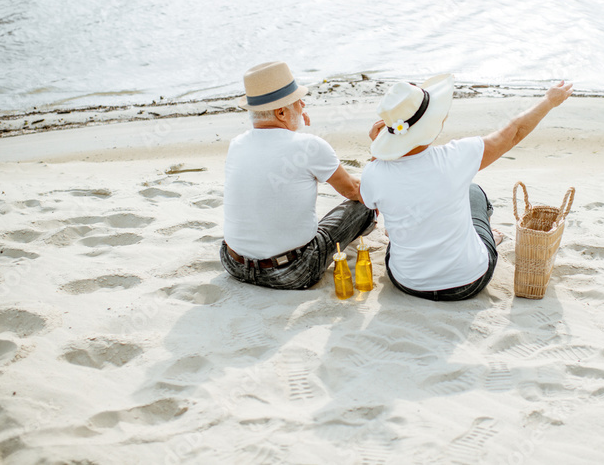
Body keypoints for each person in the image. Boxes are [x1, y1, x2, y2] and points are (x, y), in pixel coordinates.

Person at [359, 75, 573, 301]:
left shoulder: (374, 172)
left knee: (399, 212)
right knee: (473, 192)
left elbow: (369, 199)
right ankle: (489, 235)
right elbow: (515, 131)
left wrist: (377, 156)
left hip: (408, 283)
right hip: (469, 281)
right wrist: (549, 101)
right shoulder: (458, 156)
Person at [221, 61, 375, 290]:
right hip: (292, 272)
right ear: (281, 112)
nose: (303, 105)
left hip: (233, 264)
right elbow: (353, 190)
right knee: (364, 204)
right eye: (298, 102)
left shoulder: (237, 144)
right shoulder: (309, 146)